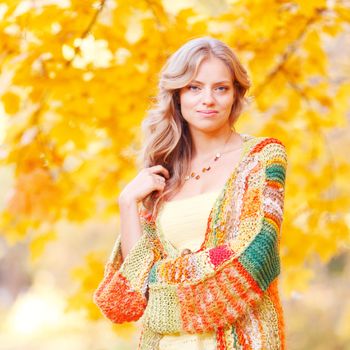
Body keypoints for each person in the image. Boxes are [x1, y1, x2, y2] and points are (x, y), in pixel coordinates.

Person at [93, 36, 288, 350]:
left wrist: (162, 285)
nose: (207, 99)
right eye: (194, 87)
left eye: (220, 88)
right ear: (178, 96)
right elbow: (134, 291)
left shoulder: (262, 158)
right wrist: (127, 203)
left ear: (236, 94)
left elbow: (255, 256)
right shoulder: (161, 176)